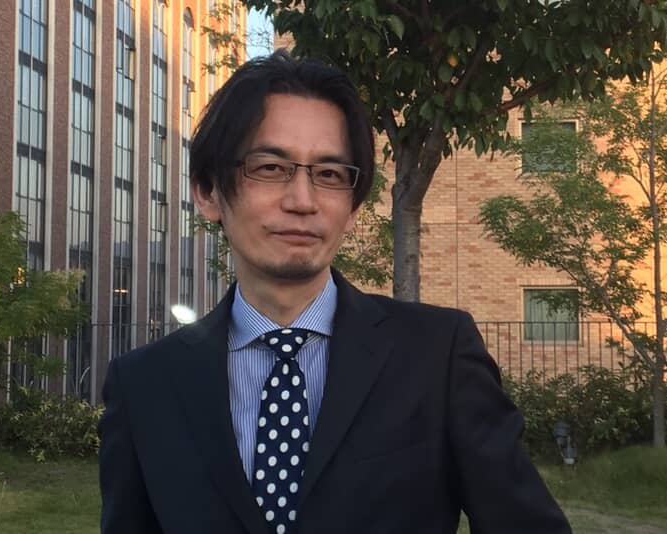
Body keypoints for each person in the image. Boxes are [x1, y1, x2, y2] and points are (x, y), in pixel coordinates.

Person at [98, 50, 571, 534]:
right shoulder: (144, 386)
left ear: (353, 207)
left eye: (328, 175)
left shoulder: (438, 356)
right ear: (207, 191)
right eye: (270, 167)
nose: (303, 201)